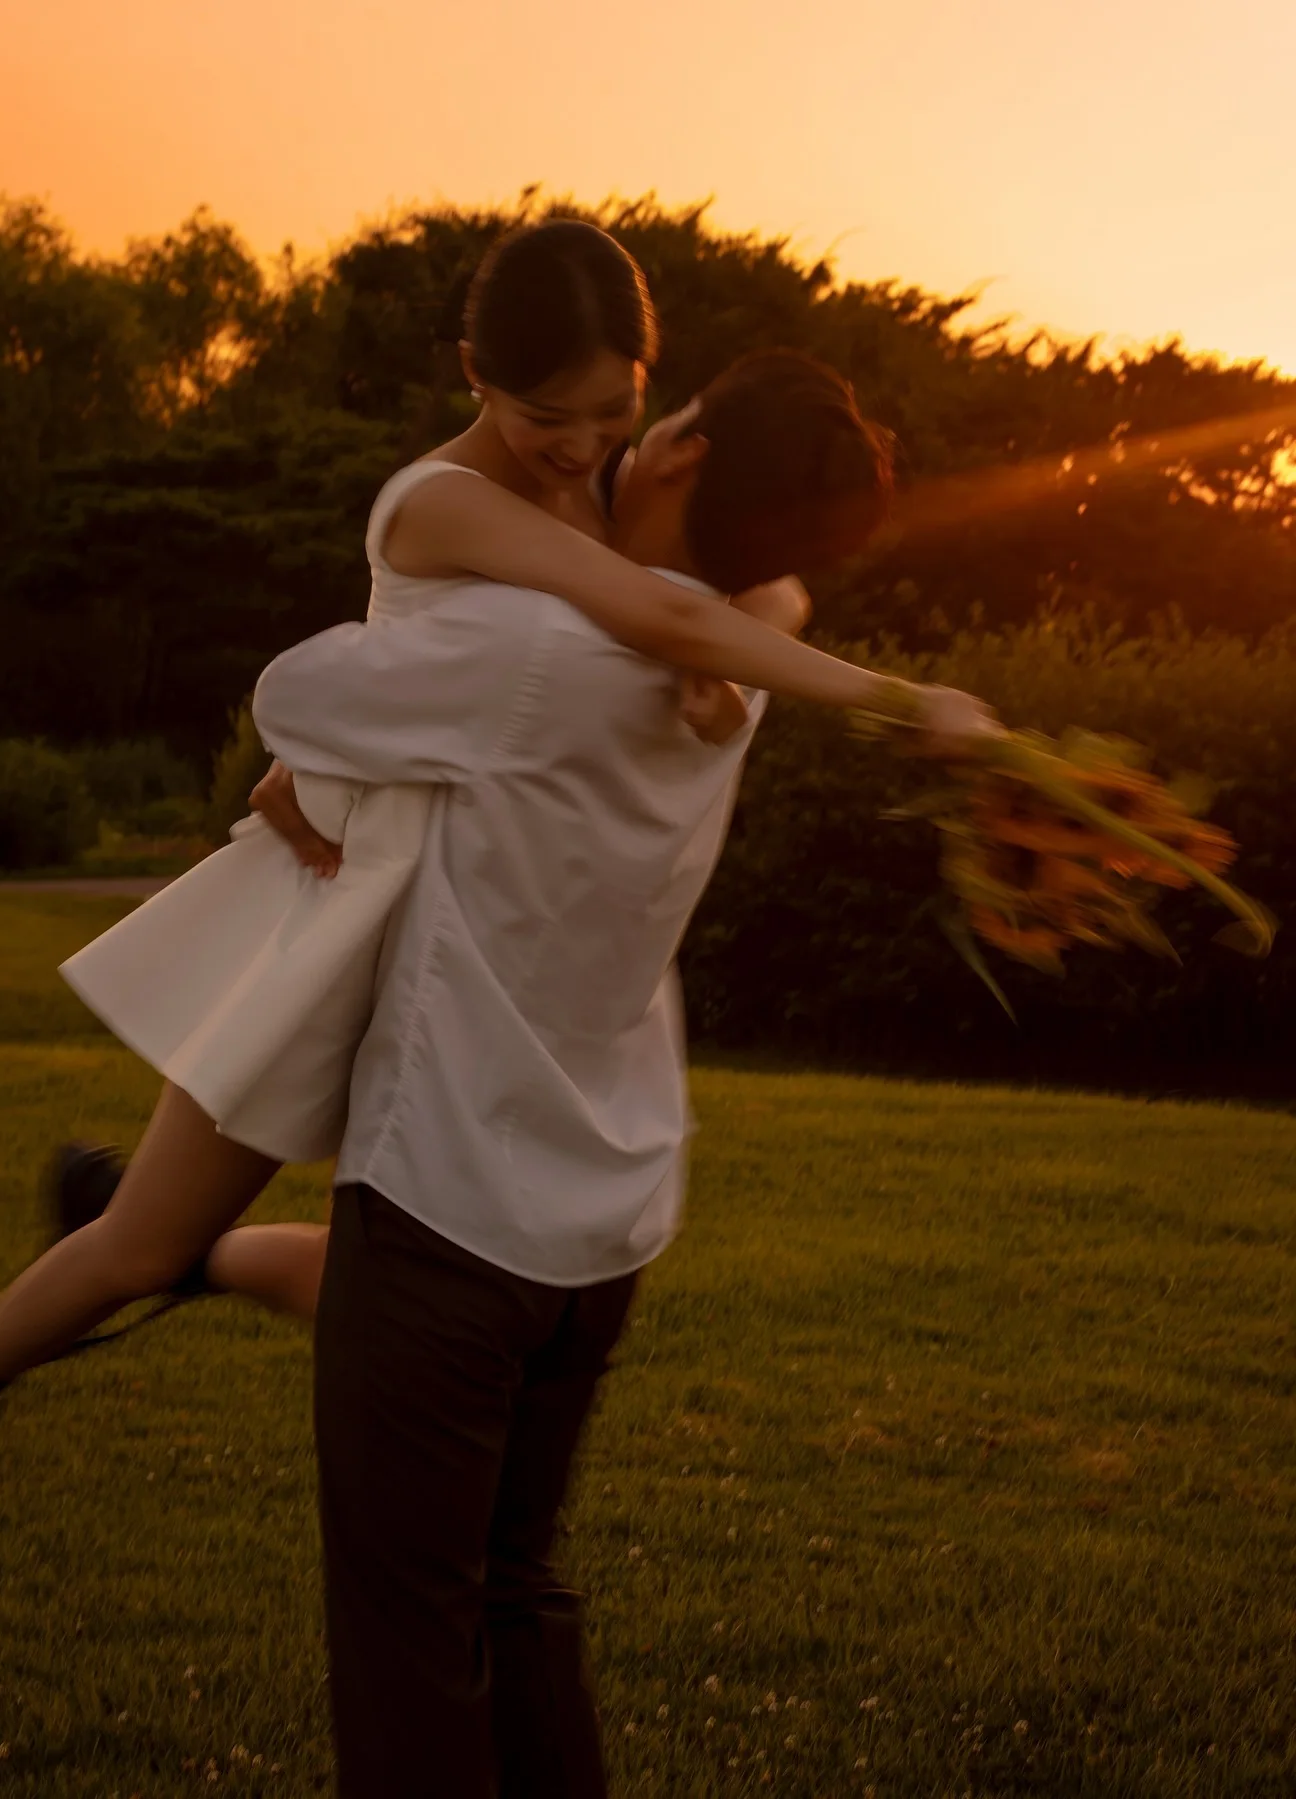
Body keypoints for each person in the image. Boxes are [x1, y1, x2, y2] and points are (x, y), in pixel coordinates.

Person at [0, 222, 994, 1654]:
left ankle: (175, 1254)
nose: (582, 446)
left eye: (615, 407)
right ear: (474, 374)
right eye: (547, 415)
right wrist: (897, 698)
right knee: (142, 1243)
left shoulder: (611, 490)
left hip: (470, 933)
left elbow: (741, 586)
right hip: (353, 908)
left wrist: (743, 620)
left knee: (389, 1295)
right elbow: (645, 607)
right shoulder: (442, 501)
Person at [242, 344, 995, 1795]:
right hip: (605, 1217)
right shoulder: (749, 653)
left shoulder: (532, 652)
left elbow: (304, 698)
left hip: (448, 1200)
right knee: (516, 1590)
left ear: (685, 450)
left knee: (410, 1642)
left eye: (660, 419)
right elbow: (705, 610)